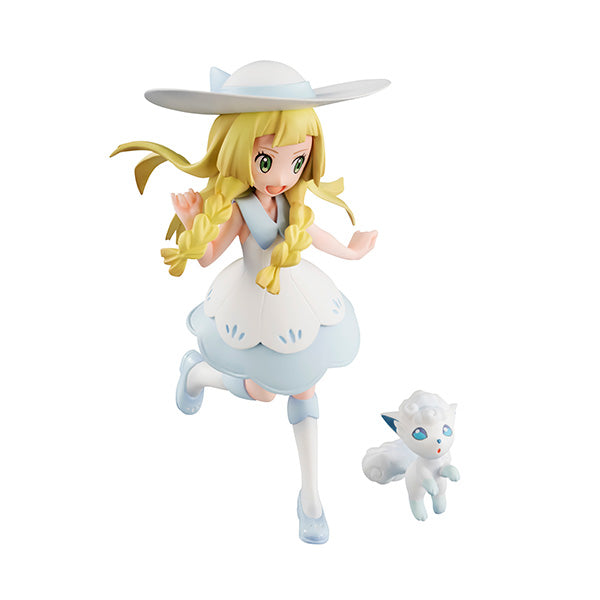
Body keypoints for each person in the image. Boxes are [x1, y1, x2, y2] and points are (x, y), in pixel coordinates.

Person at [112, 61, 389, 543]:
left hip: (300, 301)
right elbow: (207, 259)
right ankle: (197, 374)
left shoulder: (292, 203)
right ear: (239, 153)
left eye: (296, 163)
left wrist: (351, 251)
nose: (281, 176)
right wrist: (194, 224)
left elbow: (313, 235)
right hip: (253, 305)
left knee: (304, 387)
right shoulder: (240, 209)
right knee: (262, 392)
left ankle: (310, 498)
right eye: (267, 162)